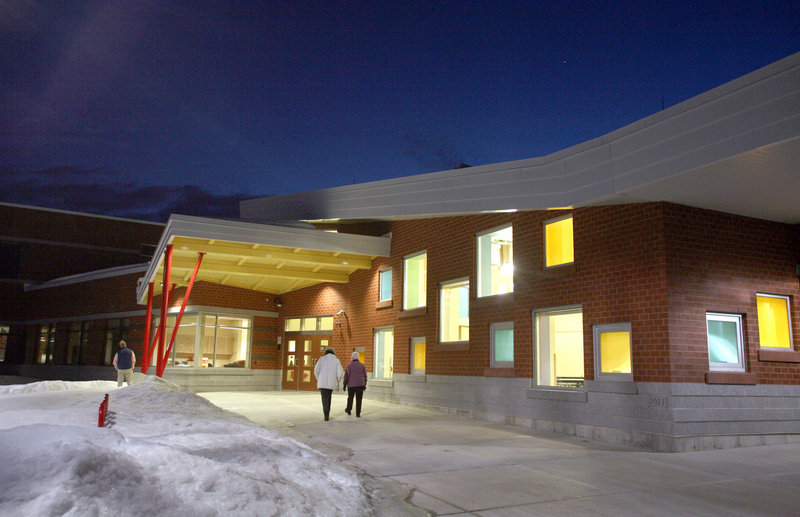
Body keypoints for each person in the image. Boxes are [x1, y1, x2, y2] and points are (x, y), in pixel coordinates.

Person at [313, 347, 343, 421]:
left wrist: (318, 378)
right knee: (329, 397)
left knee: (324, 398)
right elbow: (340, 372)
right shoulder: (336, 360)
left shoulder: (321, 359)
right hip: (331, 382)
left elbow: (316, 370)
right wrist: (337, 379)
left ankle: (325, 414)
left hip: (322, 382)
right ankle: (327, 412)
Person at [343, 351, 367, 417]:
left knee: (350, 398)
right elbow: (365, 376)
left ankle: (348, 409)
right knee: (359, 399)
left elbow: (346, 376)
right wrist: (364, 384)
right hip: (360, 385)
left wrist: (345, 384)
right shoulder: (362, 365)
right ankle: (358, 412)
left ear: (352, 357)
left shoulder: (349, 366)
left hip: (351, 385)